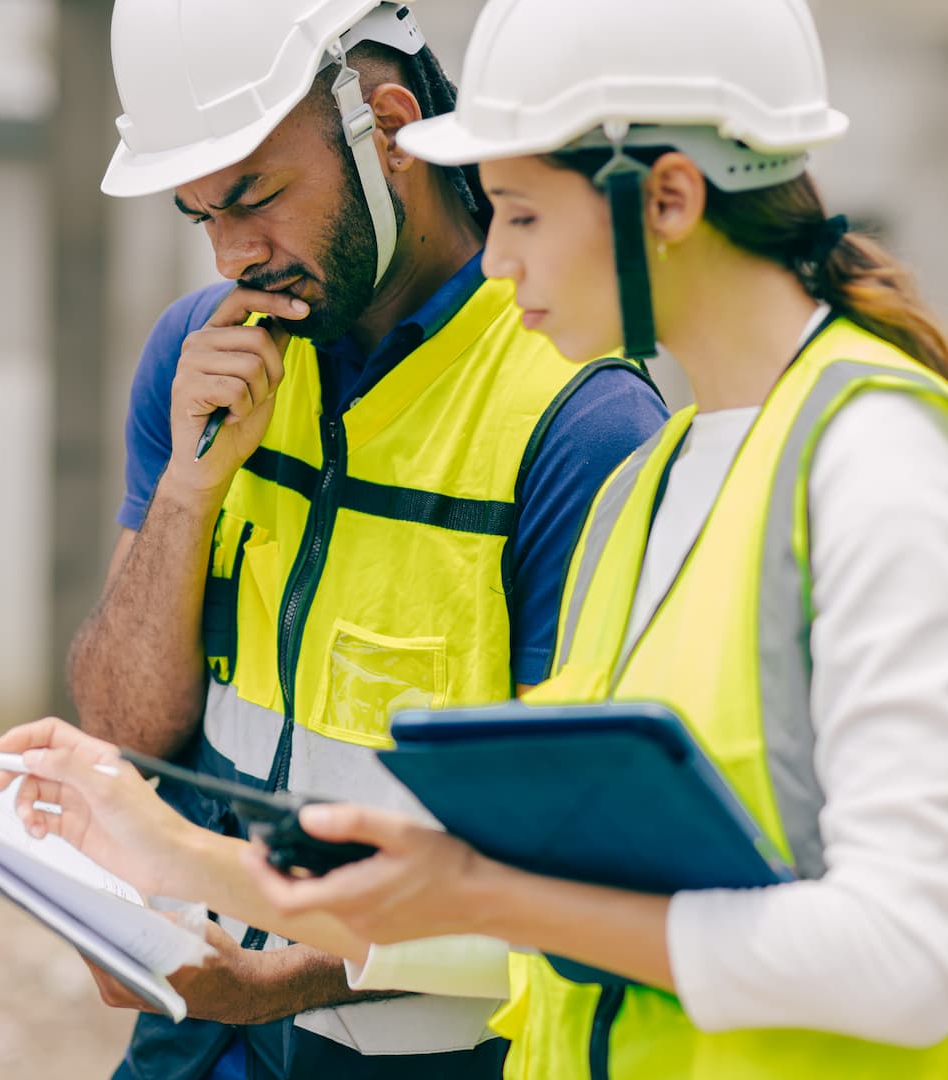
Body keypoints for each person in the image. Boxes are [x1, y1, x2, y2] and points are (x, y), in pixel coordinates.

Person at [9, 0, 948, 1076]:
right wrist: (182, 858)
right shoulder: (674, 476)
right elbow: (559, 884)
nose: (493, 263)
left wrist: (479, 895)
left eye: (520, 214)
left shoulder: (863, 462)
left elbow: (906, 953)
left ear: (670, 199)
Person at [68, 1, 667, 1077]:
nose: (234, 254)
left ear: (387, 126)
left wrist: (283, 975)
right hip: (192, 1035)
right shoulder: (197, 355)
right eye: (197, 213)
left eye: (254, 197)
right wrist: (184, 498)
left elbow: (576, 871)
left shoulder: (575, 417)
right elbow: (123, 727)